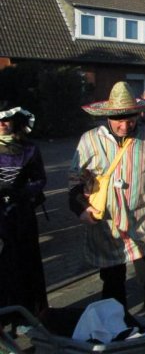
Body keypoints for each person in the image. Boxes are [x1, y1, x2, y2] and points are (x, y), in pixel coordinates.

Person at [69, 82, 145, 320]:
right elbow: (74, 181)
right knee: (112, 281)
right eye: (119, 120)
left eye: (131, 119)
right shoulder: (90, 140)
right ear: (107, 117)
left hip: (144, 220)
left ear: (138, 114)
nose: (125, 125)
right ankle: (116, 331)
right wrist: (81, 208)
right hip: (107, 226)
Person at [0, 102, 48, 319]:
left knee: (25, 263)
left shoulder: (30, 149)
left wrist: (22, 191)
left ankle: (28, 314)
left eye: (6, 120)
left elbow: (40, 179)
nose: (2, 124)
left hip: (22, 216)